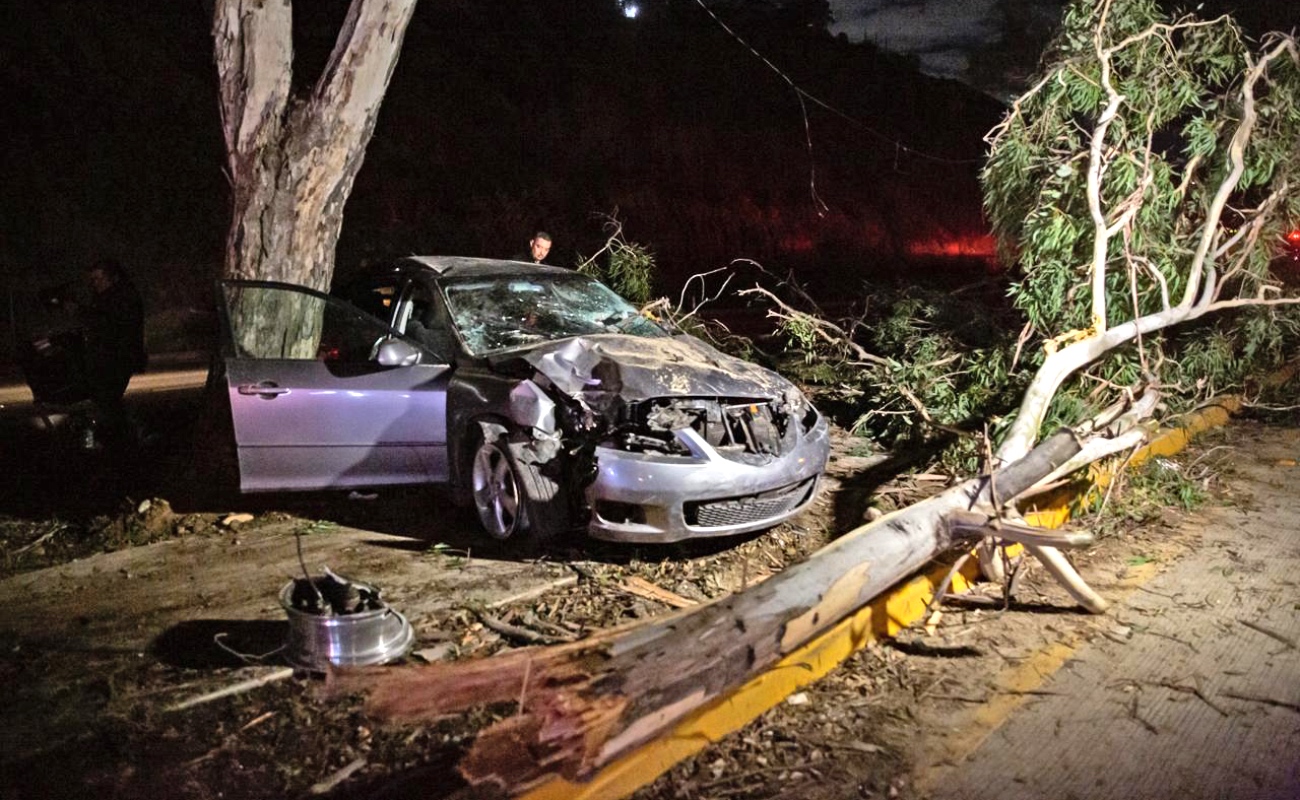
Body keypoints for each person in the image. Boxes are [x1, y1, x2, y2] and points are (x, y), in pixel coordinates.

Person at [80, 258, 147, 449]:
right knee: (107, 400)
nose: (95, 284)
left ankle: (121, 440)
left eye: (99, 279)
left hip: (118, 357)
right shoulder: (108, 297)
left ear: (112, 277)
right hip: (110, 358)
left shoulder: (121, 298)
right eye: (92, 280)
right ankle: (120, 439)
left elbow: (110, 325)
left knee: (108, 400)